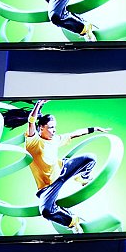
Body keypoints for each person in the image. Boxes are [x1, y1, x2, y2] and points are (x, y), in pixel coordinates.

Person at [23, 99, 108, 233]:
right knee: (46, 211)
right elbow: (31, 121)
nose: (54, 130)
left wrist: (94, 129)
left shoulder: (56, 139)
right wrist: (38, 105)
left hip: (62, 170)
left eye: (55, 127)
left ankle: (82, 178)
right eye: (51, 127)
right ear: (42, 128)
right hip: (48, 186)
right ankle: (72, 221)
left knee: (90, 158)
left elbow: (74, 134)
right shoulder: (33, 141)